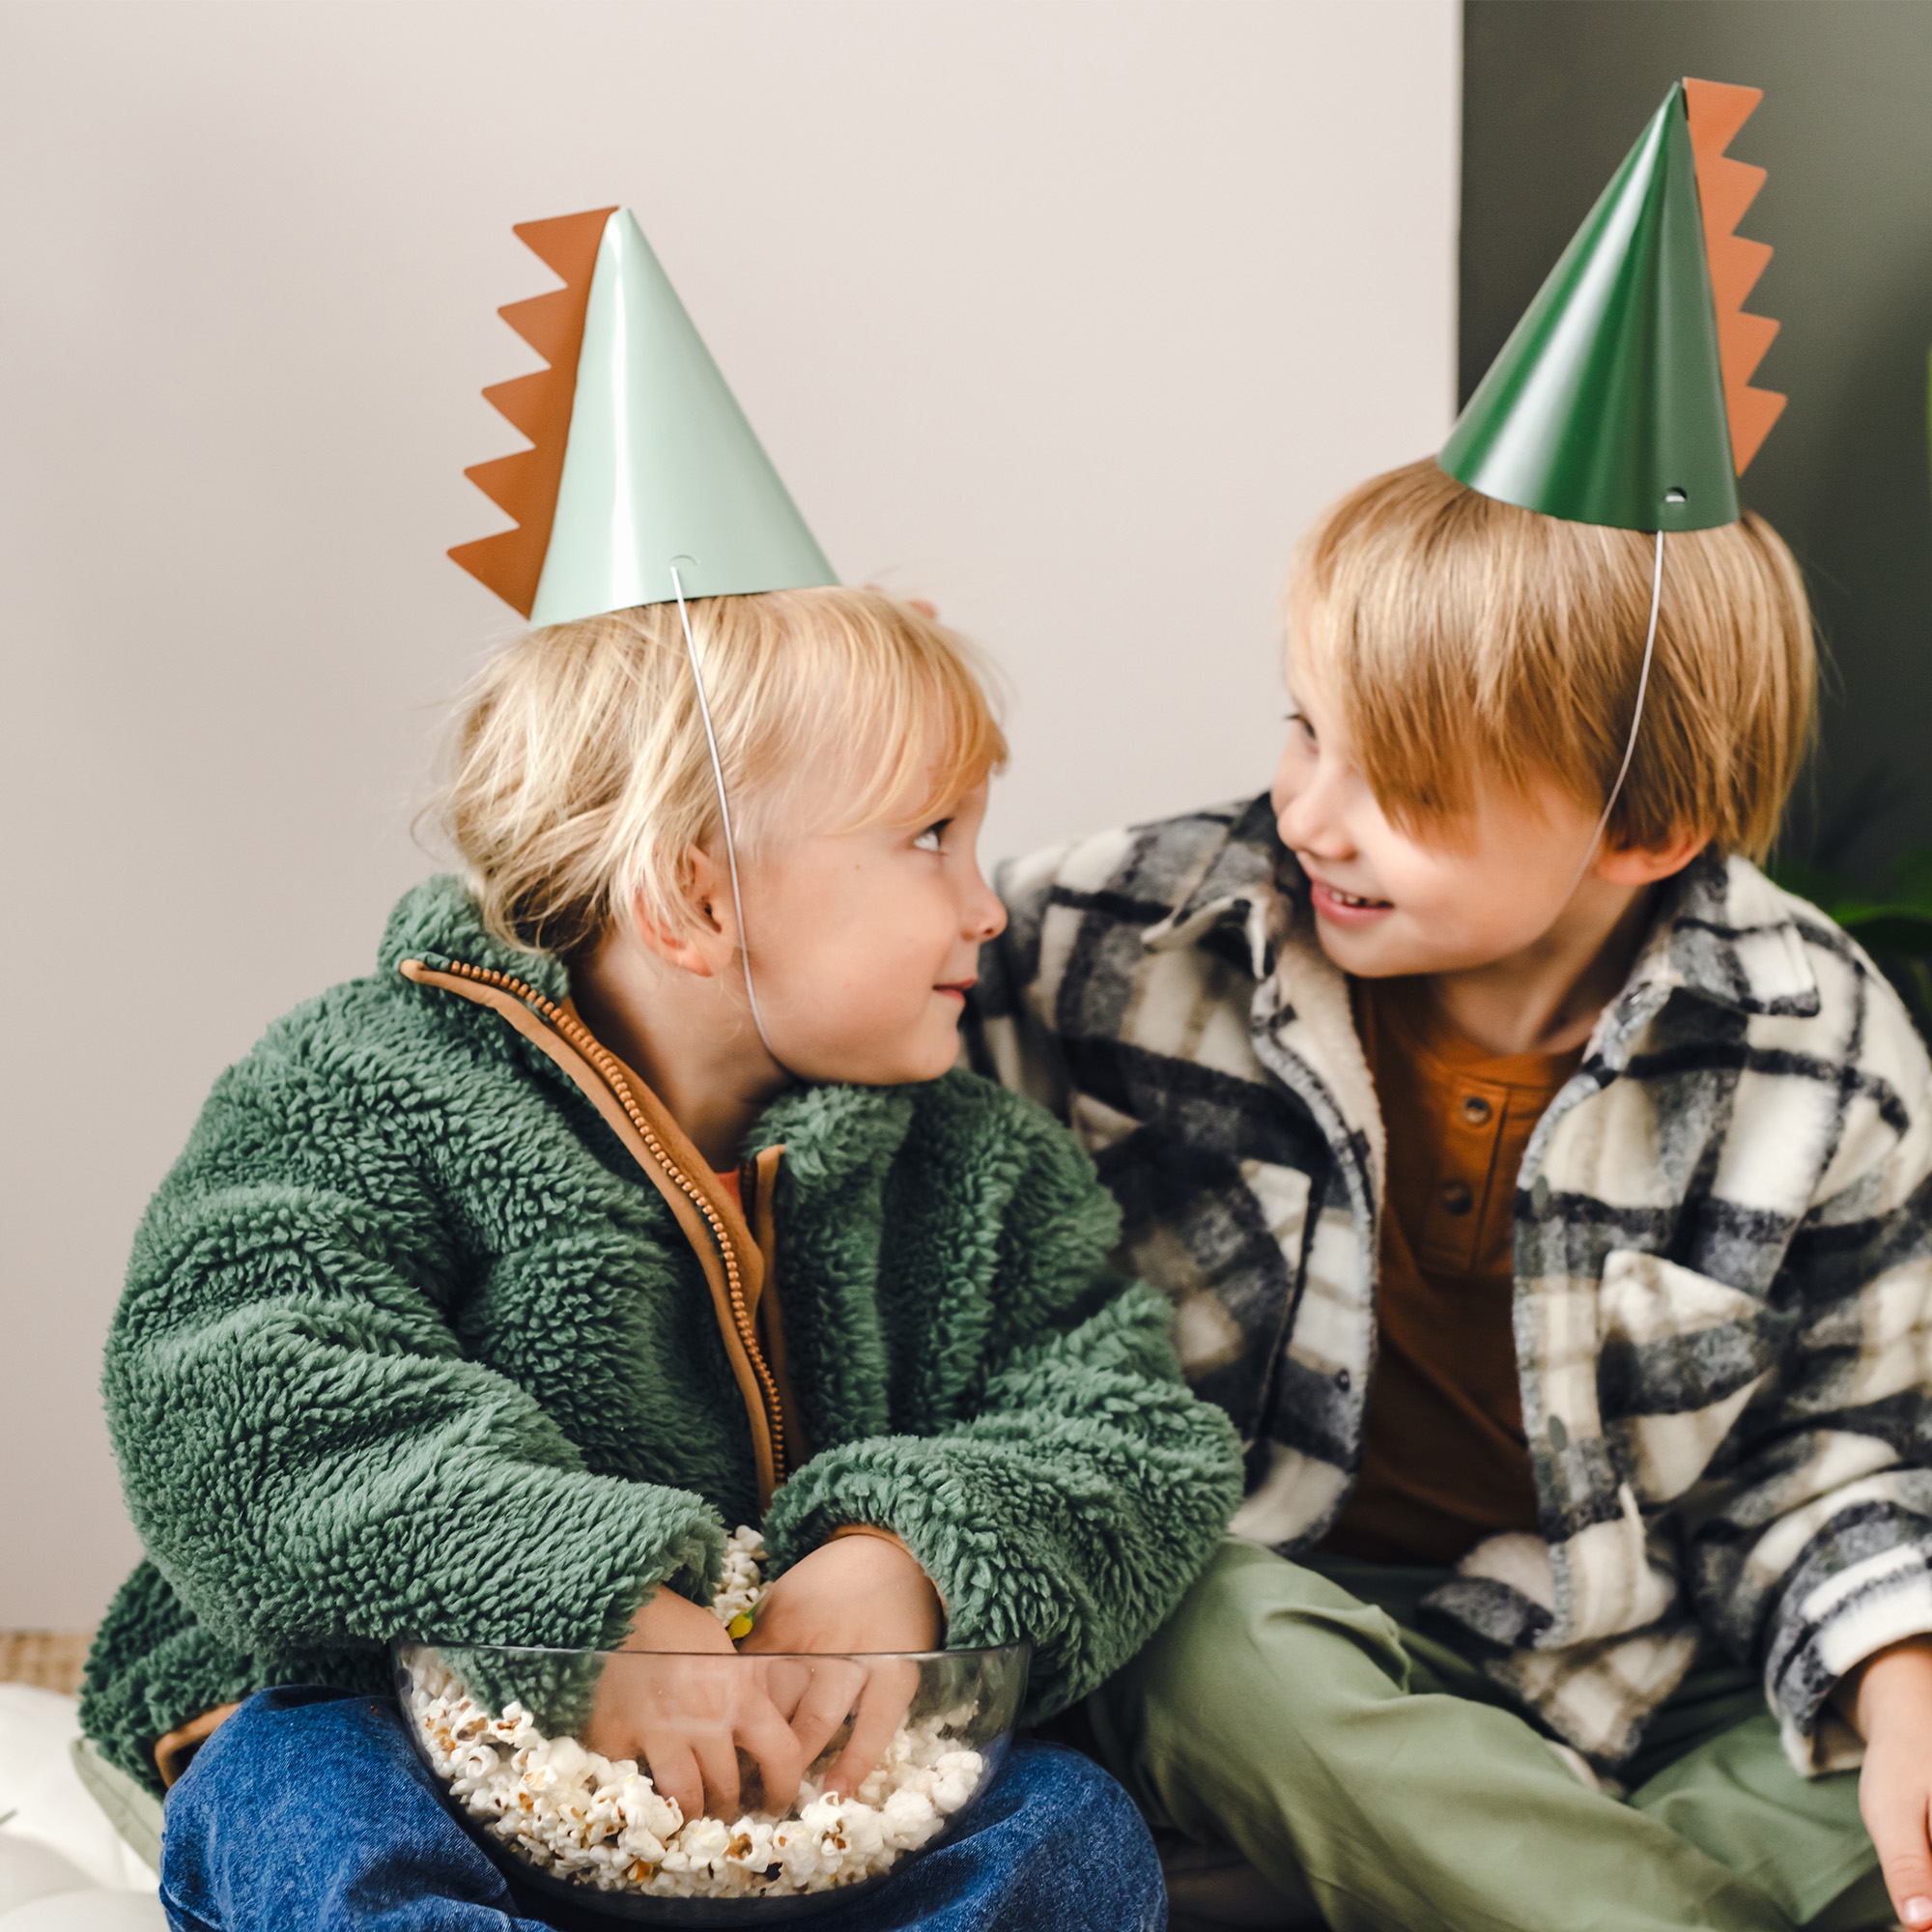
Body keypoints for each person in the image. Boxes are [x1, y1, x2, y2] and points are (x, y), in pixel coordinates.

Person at [82, 201, 1242, 1932]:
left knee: (1069, 1834)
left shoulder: (979, 1170)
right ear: (698, 894)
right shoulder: (358, 1092)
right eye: (926, 839)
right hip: (415, 1726)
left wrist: (909, 1555)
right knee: (299, 1803)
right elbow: (231, 1382)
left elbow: (1133, 1434)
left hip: (803, 1787)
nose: (982, 902)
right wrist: (579, 1600)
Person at [971, 445, 1932, 1932]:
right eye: (1305, 729)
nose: (1312, 815)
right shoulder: (1117, 939)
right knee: (1196, 1632)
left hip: (1629, 1655)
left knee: (1889, 1758)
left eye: (1405, 784)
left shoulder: (1822, 1051)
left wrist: (1898, 1678)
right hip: (1284, 1627)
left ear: (1642, 832)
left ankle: (1485, 1879)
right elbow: (851, 1035)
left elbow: (1833, 1458)